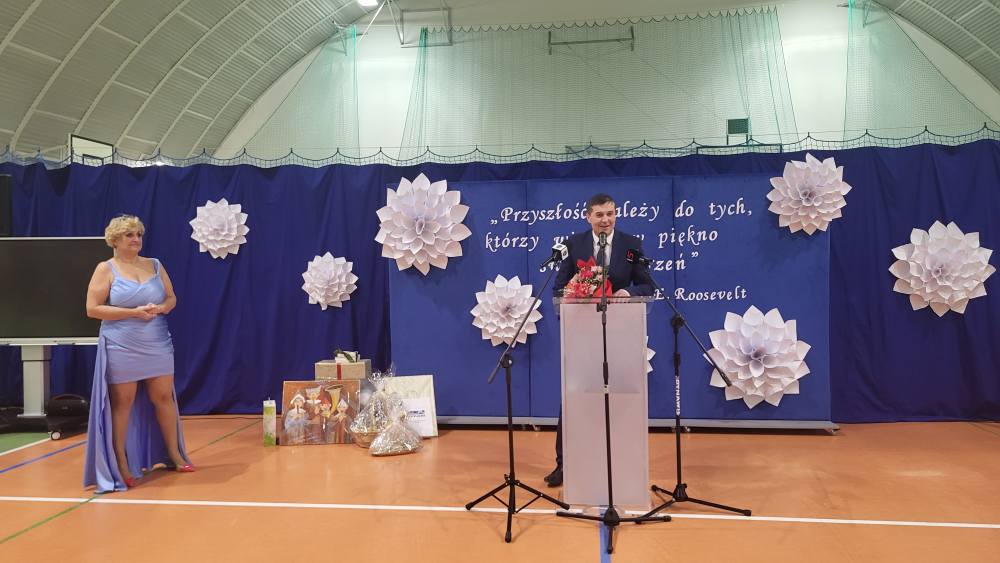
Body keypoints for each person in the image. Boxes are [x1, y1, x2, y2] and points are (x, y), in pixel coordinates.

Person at [544, 193, 654, 487]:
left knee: (620, 398)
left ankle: (621, 463)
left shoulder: (631, 246)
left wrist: (628, 292)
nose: (606, 220)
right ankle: (564, 464)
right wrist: (571, 299)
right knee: (573, 396)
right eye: (600, 215)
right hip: (582, 335)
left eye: (611, 214)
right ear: (588, 217)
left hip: (620, 332)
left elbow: (647, 285)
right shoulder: (573, 245)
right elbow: (558, 288)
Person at [83, 215, 194, 493]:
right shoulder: (105, 269)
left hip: (157, 340)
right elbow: (92, 309)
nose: (136, 239)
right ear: (115, 240)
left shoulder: (155, 264)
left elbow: (171, 298)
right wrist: (133, 312)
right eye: (129, 235)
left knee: (164, 398)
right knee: (123, 403)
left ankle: (175, 455)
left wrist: (163, 307)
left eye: (139, 235)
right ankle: (121, 463)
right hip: (121, 342)